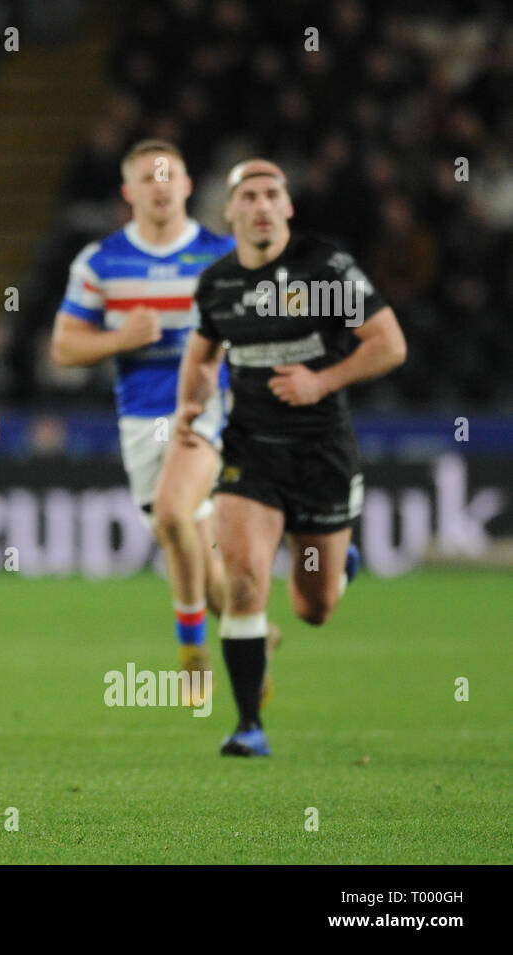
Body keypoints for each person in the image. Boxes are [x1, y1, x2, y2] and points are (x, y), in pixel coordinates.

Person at [176, 158, 407, 756]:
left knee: (313, 608)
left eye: (271, 193)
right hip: (249, 451)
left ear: (287, 207)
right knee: (246, 582)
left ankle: (339, 567)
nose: (260, 204)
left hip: (321, 452)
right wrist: (188, 406)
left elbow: (389, 344)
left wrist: (321, 382)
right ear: (229, 213)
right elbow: (201, 354)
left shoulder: (325, 269)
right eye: (247, 195)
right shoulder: (219, 282)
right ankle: (250, 725)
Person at [51, 139, 247, 702]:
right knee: (188, 544)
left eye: (170, 176)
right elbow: (64, 348)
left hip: (206, 410)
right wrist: (120, 338)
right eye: (148, 177)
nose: (160, 186)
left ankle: (192, 654)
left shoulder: (221, 257)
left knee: (171, 512)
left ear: (187, 186)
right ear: (128, 192)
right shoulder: (102, 260)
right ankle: (252, 630)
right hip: (140, 419)